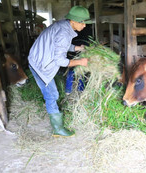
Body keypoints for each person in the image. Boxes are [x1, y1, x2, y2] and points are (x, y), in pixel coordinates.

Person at [28, 6, 91, 137]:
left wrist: (77, 48)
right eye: (81, 22)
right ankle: (58, 129)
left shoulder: (64, 25)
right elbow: (60, 61)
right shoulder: (64, 33)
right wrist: (81, 62)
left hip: (37, 56)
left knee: (53, 94)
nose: (84, 25)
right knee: (52, 95)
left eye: (85, 22)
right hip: (41, 64)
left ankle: (57, 122)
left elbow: (61, 44)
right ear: (72, 21)